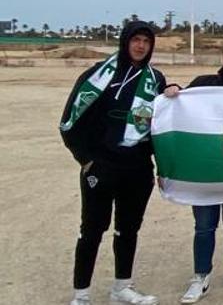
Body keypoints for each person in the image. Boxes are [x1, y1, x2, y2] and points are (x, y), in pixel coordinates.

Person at [61, 21, 168, 305]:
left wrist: (173, 92)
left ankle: (121, 287)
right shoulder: (98, 75)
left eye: (146, 41)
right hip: (102, 166)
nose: (141, 46)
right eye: (136, 39)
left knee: (128, 229)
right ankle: (81, 295)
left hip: (137, 167)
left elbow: (161, 126)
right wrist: (86, 160)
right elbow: (71, 120)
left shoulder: (155, 79)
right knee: (92, 230)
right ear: (125, 41)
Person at [161, 36, 223, 303]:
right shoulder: (204, 85)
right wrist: (173, 91)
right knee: (204, 227)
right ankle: (200, 276)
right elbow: (179, 110)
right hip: (204, 172)